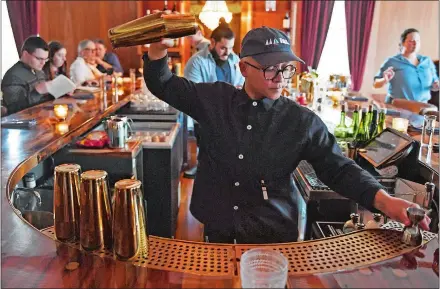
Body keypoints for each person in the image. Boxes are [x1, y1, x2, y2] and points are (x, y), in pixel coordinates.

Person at [143, 26, 430, 244]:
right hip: (217, 225)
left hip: (272, 232)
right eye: (269, 68)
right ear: (243, 67)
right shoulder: (214, 99)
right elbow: (164, 84)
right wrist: (157, 51)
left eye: (286, 68)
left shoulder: (301, 121)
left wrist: (384, 201)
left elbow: (339, 169)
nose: (279, 77)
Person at [183, 18, 244, 178]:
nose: (227, 52)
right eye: (223, 48)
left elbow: (242, 84)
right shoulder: (196, 62)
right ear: (212, 42)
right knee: (207, 158)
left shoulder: (236, 61)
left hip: (232, 114)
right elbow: (192, 93)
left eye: (230, 48)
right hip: (205, 116)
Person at [374, 28, 439, 103]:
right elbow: (375, 84)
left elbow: (434, 84)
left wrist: (435, 86)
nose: (415, 43)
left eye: (417, 41)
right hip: (397, 106)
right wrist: (384, 80)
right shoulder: (392, 62)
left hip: (422, 108)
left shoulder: (427, 61)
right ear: (403, 43)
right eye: (411, 41)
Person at [1, 36, 53, 115]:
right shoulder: (13, 76)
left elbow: (45, 99)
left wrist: (61, 92)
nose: (43, 63)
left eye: (45, 59)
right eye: (39, 59)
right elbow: (13, 110)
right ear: (25, 54)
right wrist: (37, 92)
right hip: (25, 124)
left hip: (43, 117)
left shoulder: (39, 72)